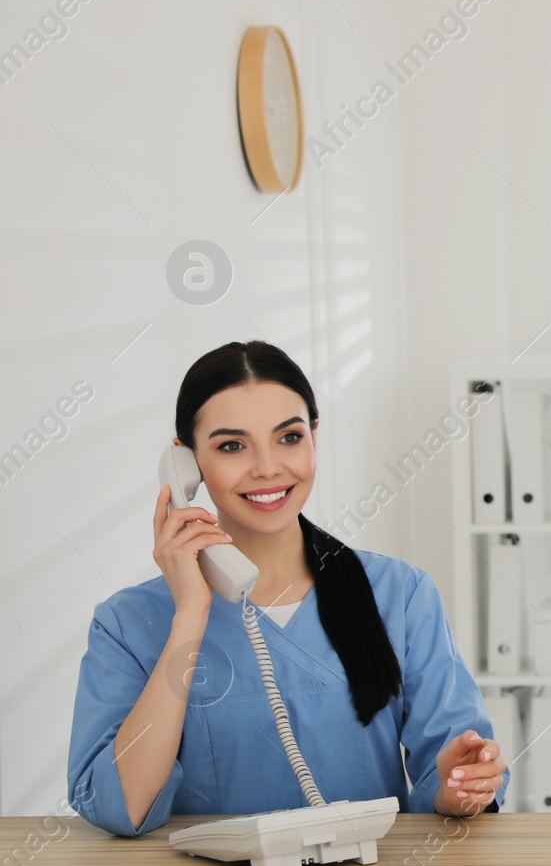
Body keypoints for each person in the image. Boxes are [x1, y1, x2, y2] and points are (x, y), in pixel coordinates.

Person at [68, 341, 506, 837]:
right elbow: (122, 807)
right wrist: (190, 614)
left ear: (314, 439)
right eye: (232, 445)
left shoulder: (401, 595)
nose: (268, 468)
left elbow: (451, 780)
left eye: (288, 438)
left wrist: (459, 787)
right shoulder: (128, 623)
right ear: (185, 464)